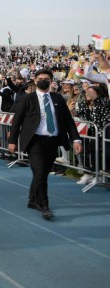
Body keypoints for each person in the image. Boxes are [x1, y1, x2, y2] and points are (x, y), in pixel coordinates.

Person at [8, 69, 82, 220]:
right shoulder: (27, 99)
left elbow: (68, 121)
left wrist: (76, 139)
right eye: (40, 78)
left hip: (53, 141)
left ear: (51, 81)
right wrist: (12, 141)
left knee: (41, 174)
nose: (43, 80)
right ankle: (44, 206)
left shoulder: (58, 98)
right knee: (40, 172)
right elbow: (17, 122)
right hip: (35, 141)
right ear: (35, 80)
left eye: (46, 79)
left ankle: (32, 200)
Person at [75, 85, 110, 185]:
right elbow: (79, 115)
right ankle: (89, 173)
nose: (87, 94)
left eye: (90, 92)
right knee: (87, 150)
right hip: (93, 134)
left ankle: (98, 174)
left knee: (99, 152)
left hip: (104, 134)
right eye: (86, 92)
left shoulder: (103, 102)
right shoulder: (86, 105)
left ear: (98, 93)